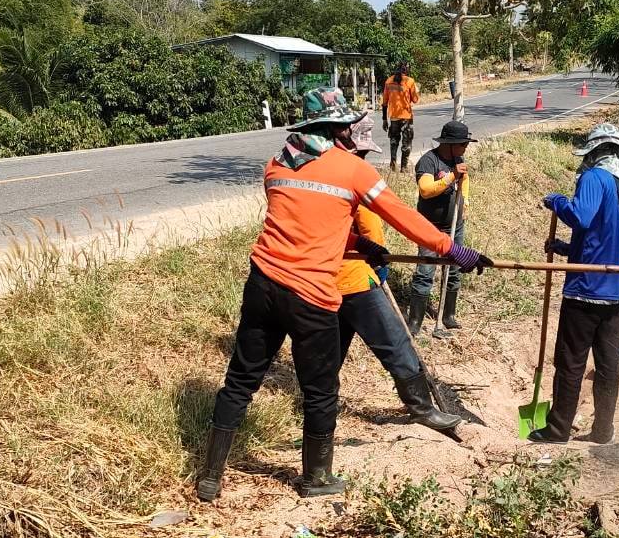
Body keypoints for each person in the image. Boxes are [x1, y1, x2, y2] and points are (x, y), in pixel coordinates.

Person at [197, 87, 488, 503]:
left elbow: (306, 221)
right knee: (320, 391)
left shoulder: (276, 164)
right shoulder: (351, 169)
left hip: (262, 284)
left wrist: (358, 242)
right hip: (310, 293)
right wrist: (454, 250)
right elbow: (403, 217)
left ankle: (210, 477)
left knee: (241, 380)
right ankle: (316, 479)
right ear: (339, 129)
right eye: (349, 126)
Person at [336, 116, 461, 436]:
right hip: (354, 278)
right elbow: (373, 225)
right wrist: (376, 255)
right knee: (396, 342)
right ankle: (422, 409)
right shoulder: (354, 176)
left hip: (323, 279)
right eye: (362, 152)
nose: (364, 157)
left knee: (332, 347)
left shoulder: (317, 170)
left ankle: (320, 405)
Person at [529, 122, 619, 445]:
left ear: (595, 152)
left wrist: (557, 201)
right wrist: (567, 249)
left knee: (570, 361)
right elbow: (613, 237)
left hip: (587, 289)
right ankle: (603, 430)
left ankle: (558, 429)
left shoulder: (594, 178)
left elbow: (580, 217)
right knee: (608, 365)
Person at [409, 120, 475, 335]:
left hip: (455, 226)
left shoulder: (458, 160)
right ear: (450, 143)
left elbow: (465, 180)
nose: (466, 147)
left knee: (454, 270)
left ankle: (448, 315)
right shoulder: (429, 161)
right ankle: (415, 322)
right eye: (463, 144)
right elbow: (426, 190)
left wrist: (465, 200)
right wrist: (451, 176)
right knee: (425, 272)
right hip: (430, 227)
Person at [381, 63, 420, 172]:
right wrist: (417, 91)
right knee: (406, 143)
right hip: (406, 117)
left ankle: (393, 165)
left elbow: (384, 103)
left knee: (393, 141)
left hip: (393, 117)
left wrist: (384, 119)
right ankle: (404, 167)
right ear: (406, 70)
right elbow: (415, 100)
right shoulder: (409, 81)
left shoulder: (389, 81)